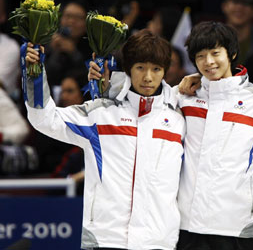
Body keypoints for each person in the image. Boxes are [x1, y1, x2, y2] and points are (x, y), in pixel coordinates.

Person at [90, 21, 253, 250]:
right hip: (189, 230)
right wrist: (106, 86)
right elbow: (141, 96)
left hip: (239, 229)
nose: (208, 62)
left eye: (215, 53)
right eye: (200, 56)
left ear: (232, 53)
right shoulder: (183, 97)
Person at [25, 29, 185, 249]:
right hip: (105, 240)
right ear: (128, 69)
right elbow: (44, 119)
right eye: (140, 68)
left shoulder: (179, 118)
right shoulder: (100, 115)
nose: (148, 77)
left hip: (159, 242)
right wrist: (34, 74)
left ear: (165, 71)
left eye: (156, 69)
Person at [45, 0, 91, 87]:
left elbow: (89, 76)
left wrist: (74, 53)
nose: (71, 21)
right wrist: (53, 51)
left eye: (77, 18)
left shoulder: (93, 46)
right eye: (68, 16)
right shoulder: (50, 41)